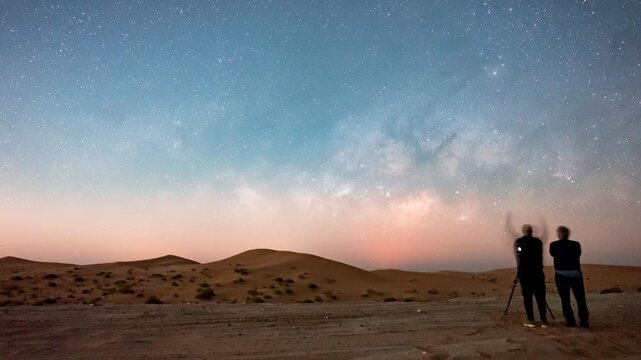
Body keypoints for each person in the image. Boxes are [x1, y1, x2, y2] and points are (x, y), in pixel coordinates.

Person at [550, 226, 590, 329]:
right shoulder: (576, 244)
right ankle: (584, 322)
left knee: (565, 299)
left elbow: (552, 254)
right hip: (576, 275)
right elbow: (578, 254)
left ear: (559, 234)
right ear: (568, 234)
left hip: (561, 275)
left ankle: (570, 321)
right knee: (580, 299)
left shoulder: (554, 245)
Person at [514, 224, 548, 327]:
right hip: (538, 272)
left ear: (523, 231)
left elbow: (519, 255)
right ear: (532, 231)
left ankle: (530, 319)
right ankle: (544, 320)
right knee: (540, 296)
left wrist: (519, 269)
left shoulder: (519, 241)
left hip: (525, 272)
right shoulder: (538, 242)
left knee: (527, 297)